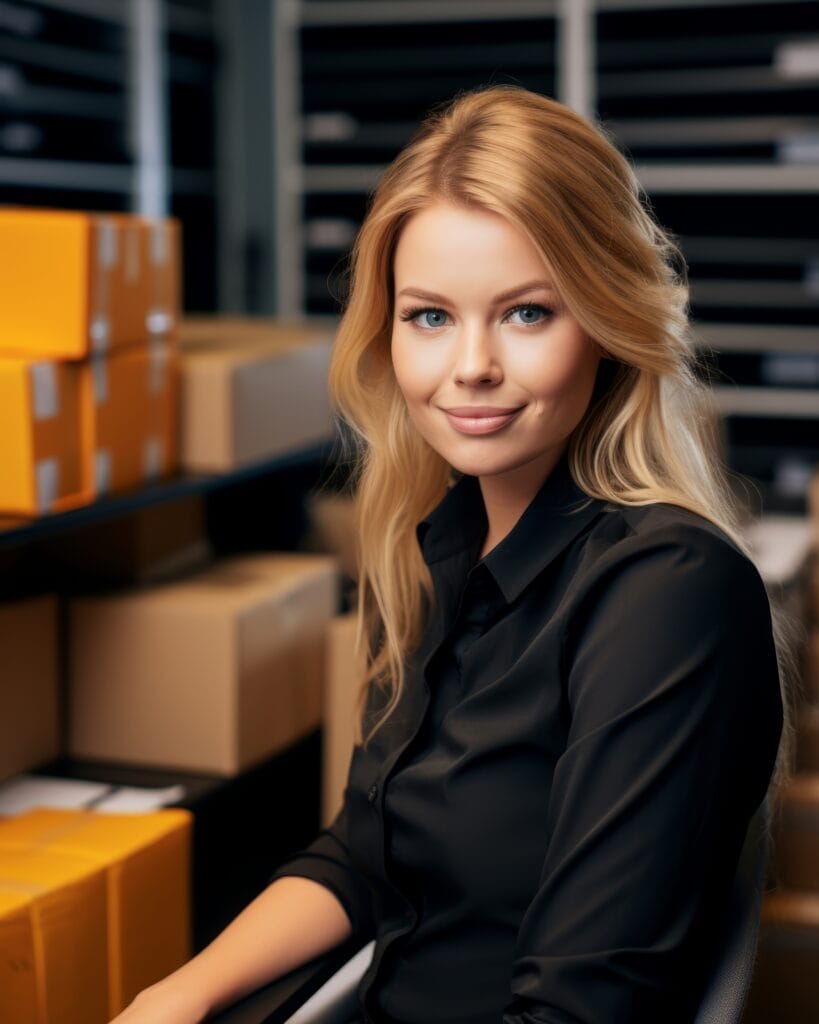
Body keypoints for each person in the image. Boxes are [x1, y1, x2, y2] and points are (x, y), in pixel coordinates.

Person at [110, 85, 789, 1024]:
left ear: (605, 321)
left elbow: (580, 1010)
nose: (470, 366)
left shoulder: (667, 593)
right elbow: (364, 852)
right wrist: (170, 998)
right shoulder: (437, 546)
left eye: (526, 313)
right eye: (429, 316)